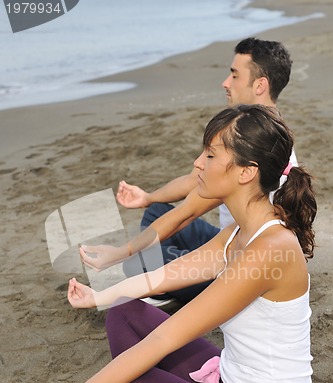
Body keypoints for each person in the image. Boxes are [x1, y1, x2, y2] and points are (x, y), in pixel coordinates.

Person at [25, 105, 316, 383]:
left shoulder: (270, 248)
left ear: (246, 172)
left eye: (210, 155)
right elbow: (161, 277)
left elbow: (165, 339)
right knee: (125, 312)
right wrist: (99, 296)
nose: (198, 163)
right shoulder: (239, 233)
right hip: (228, 381)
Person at [80, 38, 297, 304]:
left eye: (234, 74)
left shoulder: (250, 150)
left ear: (260, 84)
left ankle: (173, 285)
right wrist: (148, 197)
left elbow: (187, 212)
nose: (225, 83)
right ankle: (165, 275)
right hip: (230, 241)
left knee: (137, 264)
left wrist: (119, 253)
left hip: (244, 260)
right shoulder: (265, 134)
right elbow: (195, 180)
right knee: (156, 211)